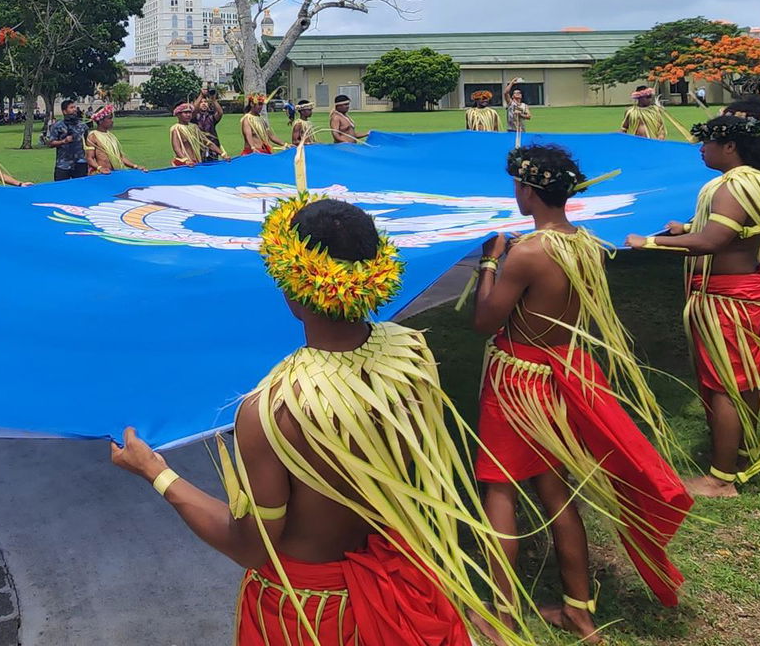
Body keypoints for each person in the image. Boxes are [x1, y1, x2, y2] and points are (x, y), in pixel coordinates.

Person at [111, 193, 529, 646]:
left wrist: (156, 472)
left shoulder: (274, 409)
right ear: (374, 273)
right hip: (401, 582)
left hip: (311, 613)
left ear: (291, 287)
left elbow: (252, 547)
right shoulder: (412, 355)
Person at [472, 145, 692, 631]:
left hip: (519, 378)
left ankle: (501, 612)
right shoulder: (587, 244)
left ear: (528, 191)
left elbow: (486, 321)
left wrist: (490, 263)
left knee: (501, 490)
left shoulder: (528, 252)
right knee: (557, 490)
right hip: (563, 373)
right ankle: (578, 608)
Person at [624, 109, 760, 497]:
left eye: (708, 141)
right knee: (741, 381)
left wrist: (648, 243)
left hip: (729, 299)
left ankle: (720, 479)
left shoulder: (732, 187)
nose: (701, 148)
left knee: (725, 387)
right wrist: (689, 229)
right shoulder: (756, 182)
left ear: (729, 146)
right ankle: (742, 452)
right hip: (744, 293)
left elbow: (713, 243)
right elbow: (729, 232)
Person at [86, 108, 147, 175]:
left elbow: (120, 157)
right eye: (109, 118)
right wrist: (100, 168)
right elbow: (89, 158)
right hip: (101, 175)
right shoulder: (93, 136)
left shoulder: (111, 137)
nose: (112, 121)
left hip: (114, 173)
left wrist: (135, 166)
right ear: (100, 121)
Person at [44, 99, 91, 181]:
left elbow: (88, 143)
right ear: (64, 111)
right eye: (71, 108)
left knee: (81, 187)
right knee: (61, 188)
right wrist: (63, 141)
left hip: (80, 162)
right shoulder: (57, 126)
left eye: (75, 107)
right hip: (63, 164)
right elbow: (51, 143)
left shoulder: (82, 125)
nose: (74, 110)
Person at [193, 90, 226, 161]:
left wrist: (213, 100)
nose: (204, 104)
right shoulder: (194, 117)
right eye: (201, 102)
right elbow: (194, 110)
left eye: (205, 102)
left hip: (213, 146)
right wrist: (201, 95)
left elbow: (220, 113)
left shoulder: (211, 116)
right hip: (199, 146)